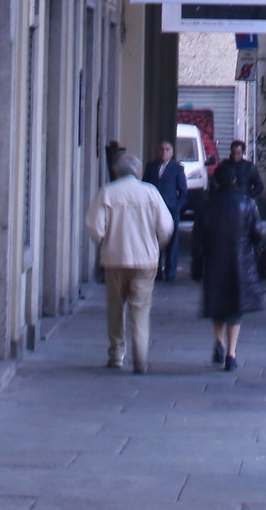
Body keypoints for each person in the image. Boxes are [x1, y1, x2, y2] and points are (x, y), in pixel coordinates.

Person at [85, 152, 174, 373]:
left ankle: (116, 354)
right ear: (138, 172)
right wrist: (155, 245)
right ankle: (140, 358)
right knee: (140, 309)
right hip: (145, 262)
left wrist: (106, 241)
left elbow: (95, 227)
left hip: (115, 259)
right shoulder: (150, 193)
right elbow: (166, 226)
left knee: (116, 308)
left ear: (116, 171)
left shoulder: (108, 192)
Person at [194, 160, 266, 371]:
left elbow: (198, 241)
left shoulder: (206, 207)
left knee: (218, 303)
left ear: (216, 182)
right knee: (235, 308)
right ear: (235, 181)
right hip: (240, 262)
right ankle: (231, 354)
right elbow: (257, 234)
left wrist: (197, 268)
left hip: (214, 261)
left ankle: (218, 341)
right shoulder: (247, 203)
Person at [147, 138, 190, 281]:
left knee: (172, 241)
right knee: (154, 241)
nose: (164, 152)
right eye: (161, 149)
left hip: (171, 210)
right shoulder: (151, 167)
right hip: (153, 210)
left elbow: (183, 192)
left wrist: (177, 207)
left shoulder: (177, 169)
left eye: (167, 149)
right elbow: (145, 186)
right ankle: (156, 270)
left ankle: (170, 272)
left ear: (172, 153)